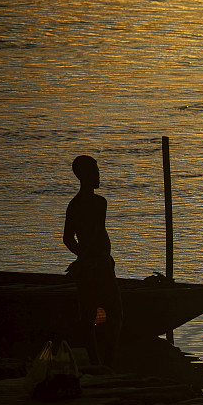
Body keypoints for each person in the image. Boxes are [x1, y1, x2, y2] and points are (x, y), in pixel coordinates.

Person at [63, 155, 122, 368]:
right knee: (112, 314)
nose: (99, 176)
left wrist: (82, 258)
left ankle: (100, 363)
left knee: (91, 315)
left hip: (95, 263)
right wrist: (88, 259)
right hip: (98, 266)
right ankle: (104, 364)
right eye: (95, 172)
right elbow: (93, 234)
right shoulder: (94, 203)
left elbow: (70, 239)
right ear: (85, 175)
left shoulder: (78, 204)